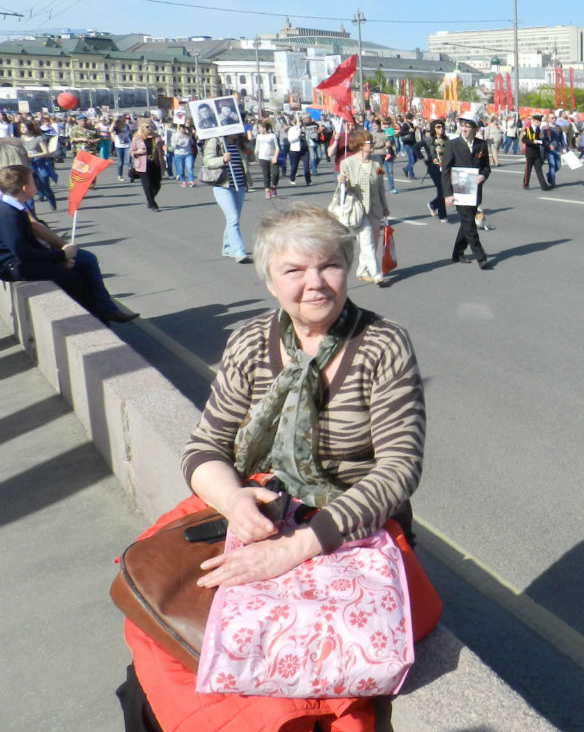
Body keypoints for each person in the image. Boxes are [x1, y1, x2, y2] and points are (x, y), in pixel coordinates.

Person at [118, 204, 430, 728]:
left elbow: (398, 469)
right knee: (162, 640)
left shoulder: (381, 343)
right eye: (295, 270)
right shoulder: (247, 341)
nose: (316, 284)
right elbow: (205, 447)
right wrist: (235, 499)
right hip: (256, 513)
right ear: (269, 280)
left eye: (329, 265)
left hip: (348, 524)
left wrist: (295, 549)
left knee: (292, 680)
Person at [0, 164, 137, 322]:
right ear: (25, 188)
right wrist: (62, 254)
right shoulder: (9, 213)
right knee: (75, 280)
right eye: (33, 181)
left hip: (19, 263)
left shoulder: (13, 207)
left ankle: (102, 313)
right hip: (14, 267)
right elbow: (23, 252)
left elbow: (30, 245)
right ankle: (92, 320)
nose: (36, 185)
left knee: (81, 269)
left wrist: (58, 258)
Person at [338, 128, 391, 285]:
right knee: (367, 241)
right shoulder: (347, 163)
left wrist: (385, 207)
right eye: (370, 142)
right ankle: (376, 274)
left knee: (372, 242)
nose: (373, 144)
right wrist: (341, 181)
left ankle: (362, 270)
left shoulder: (377, 162)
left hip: (375, 209)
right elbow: (345, 190)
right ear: (360, 145)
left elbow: (381, 186)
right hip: (358, 209)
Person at [441, 110, 491, 269]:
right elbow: (446, 171)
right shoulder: (452, 144)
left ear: (475, 128)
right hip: (459, 190)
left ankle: (458, 252)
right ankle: (480, 256)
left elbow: (486, 167)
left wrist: (483, 176)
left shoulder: (481, 144)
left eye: (468, 126)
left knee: (466, 222)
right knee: (470, 223)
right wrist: (447, 194)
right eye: (462, 125)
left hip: (475, 190)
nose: (464, 129)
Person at [201, 132, 253, 263]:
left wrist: (248, 143)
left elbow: (251, 157)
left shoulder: (240, 142)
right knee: (233, 218)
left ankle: (227, 247)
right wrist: (222, 159)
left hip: (240, 185)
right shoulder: (216, 141)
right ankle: (239, 252)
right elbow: (207, 161)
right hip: (223, 185)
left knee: (233, 220)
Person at [130, 123, 164, 211]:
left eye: (150, 126)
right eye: (147, 127)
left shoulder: (156, 137)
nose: (150, 128)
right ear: (142, 128)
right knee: (147, 185)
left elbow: (161, 148)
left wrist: (164, 147)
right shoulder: (137, 138)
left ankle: (150, 199)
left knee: (157, 185)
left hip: (156, 163)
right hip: (143, 164)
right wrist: (138, 152)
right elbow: (131, 152)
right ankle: (152, 204)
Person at [253, 119, 280, 199]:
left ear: (264, 128)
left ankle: (274, 187)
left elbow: (277, 147)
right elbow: (256, 148)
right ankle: (267, 191)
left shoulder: (272, 135)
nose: (259, 129)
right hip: (262, 157)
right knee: (266, 175)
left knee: (275, 173)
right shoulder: (259, 136)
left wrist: (275, 157)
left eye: (260, 127)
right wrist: (253, 157)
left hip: (272, 157)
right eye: (258, 128)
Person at [522, 115, 551, 190]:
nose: (540, 124)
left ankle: (544, 186)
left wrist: (547, 145)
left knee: (539, 169)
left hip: (537, 152)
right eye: (539, 122)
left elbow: (539, 140)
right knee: (528, 169)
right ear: (536, 121)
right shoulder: (527, 129)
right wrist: (532, 141)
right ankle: (526, 184)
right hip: (529, 153)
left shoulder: (538, 129)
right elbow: (523, 140)